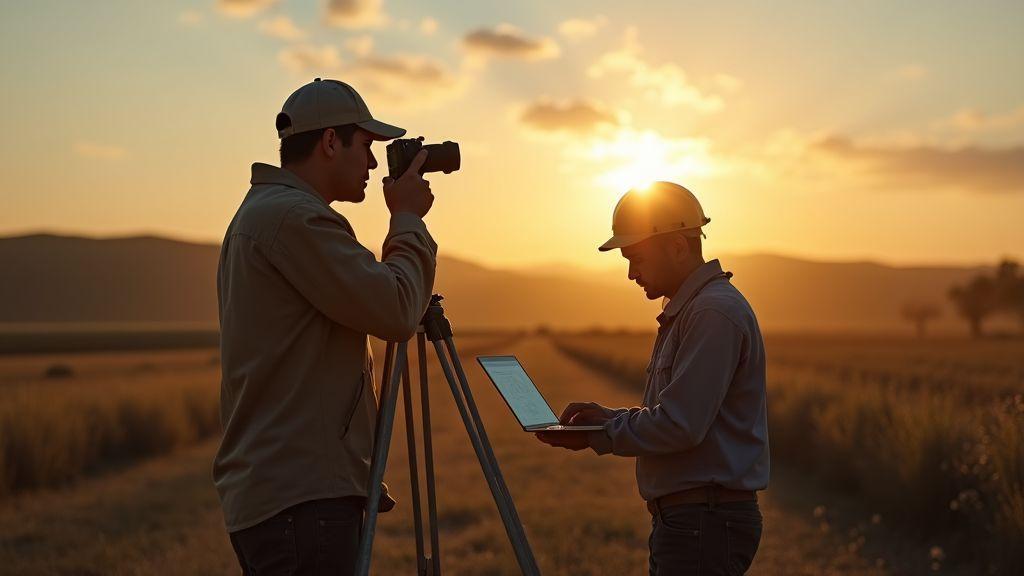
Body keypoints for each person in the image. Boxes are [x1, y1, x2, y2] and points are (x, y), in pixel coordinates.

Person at [214, 78, 437, 576]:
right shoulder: (295, 219)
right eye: (366, 146)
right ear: (330, 141)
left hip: (289, 491)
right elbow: (398, 310)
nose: (375, 164)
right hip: (301, 497)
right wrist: (407, 220)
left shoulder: (267, 215)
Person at [537, 182, 769, 575]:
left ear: (678, 246)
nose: (630, 274)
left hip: (704, 522)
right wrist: (606, 418)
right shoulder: (694, 310)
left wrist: (601, 435)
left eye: (636, 258)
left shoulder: (712, 313)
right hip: (695, 520)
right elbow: (678, 415)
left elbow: (680, 425)